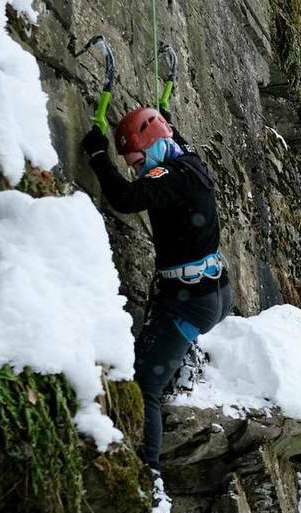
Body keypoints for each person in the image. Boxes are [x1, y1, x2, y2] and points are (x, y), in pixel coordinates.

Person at [80, 107, 230, 476]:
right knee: (160, 347)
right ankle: (180, 358)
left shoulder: (170, 175)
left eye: (137, 160)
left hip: (190, 301)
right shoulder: (188, 159)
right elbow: (168, 140)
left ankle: (150, 475)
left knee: (145, 385)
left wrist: (99, 156)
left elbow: (126, 199)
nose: (137, 169)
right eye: (132, 164)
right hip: (212, 290)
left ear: (154, 146)